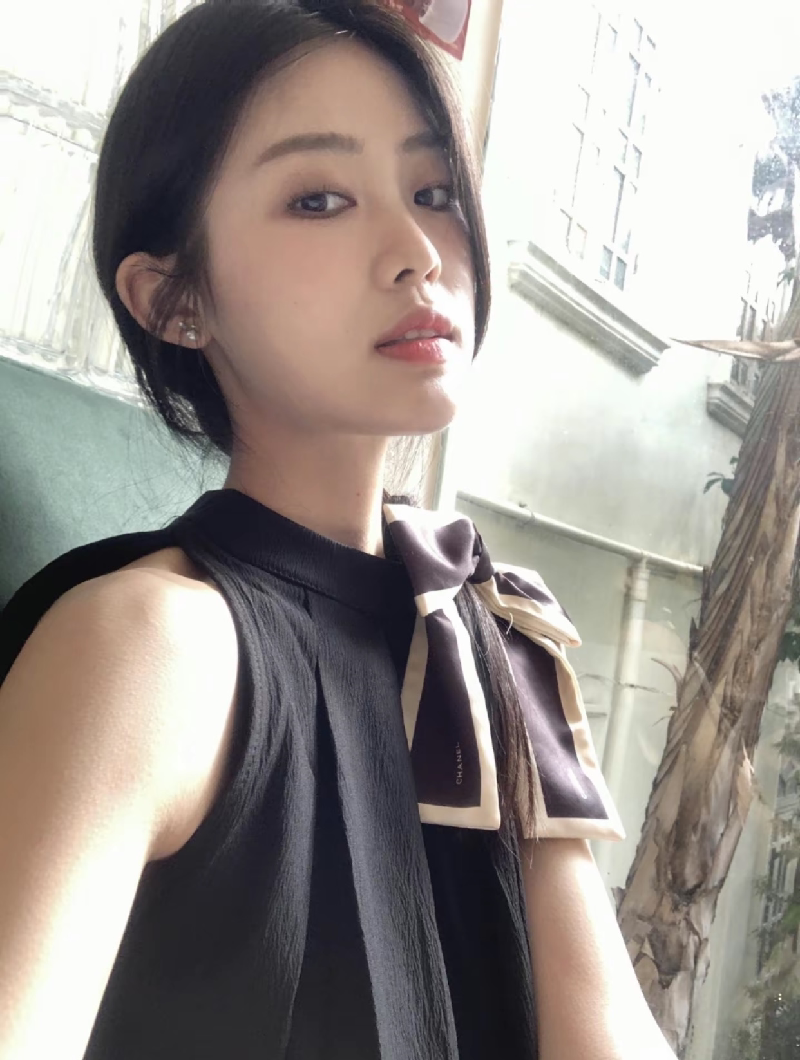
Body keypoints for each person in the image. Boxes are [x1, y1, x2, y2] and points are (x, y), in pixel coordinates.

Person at [0, 2, 677, 1058]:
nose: (417, 252)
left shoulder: (494, 633)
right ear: (174, 300)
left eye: (434, 192)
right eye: (318, 199)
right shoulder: (149, 647)